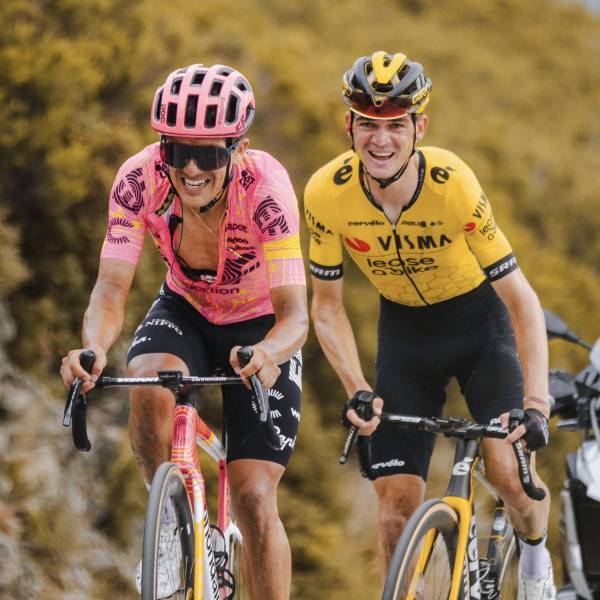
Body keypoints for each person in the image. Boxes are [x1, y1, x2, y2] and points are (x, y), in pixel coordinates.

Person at [304, 51, 555, 599]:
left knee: (509, 475)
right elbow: (326, 307)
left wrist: (536, 403)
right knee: (395, 506)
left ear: (420, 127)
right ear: (349, 125)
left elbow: (522, 301)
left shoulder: (452, 183)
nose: (381, 140)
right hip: (406, 337)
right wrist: (357, 388)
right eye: (368, 124)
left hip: (479, 326)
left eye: (396, 124)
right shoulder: (326, 193)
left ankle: (536, 556)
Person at [60, 63, 308, 600]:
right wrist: (93, 347)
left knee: (253, 497)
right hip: (187, 306)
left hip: (260, 325)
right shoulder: (139, 179)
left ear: (238, 148)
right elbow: (111, 286)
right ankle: (170, 526)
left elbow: (296, 315)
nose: (191, 168)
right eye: (176, 151)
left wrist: (270, 352)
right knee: (148, 379)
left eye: (210, 154)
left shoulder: (267, 192)